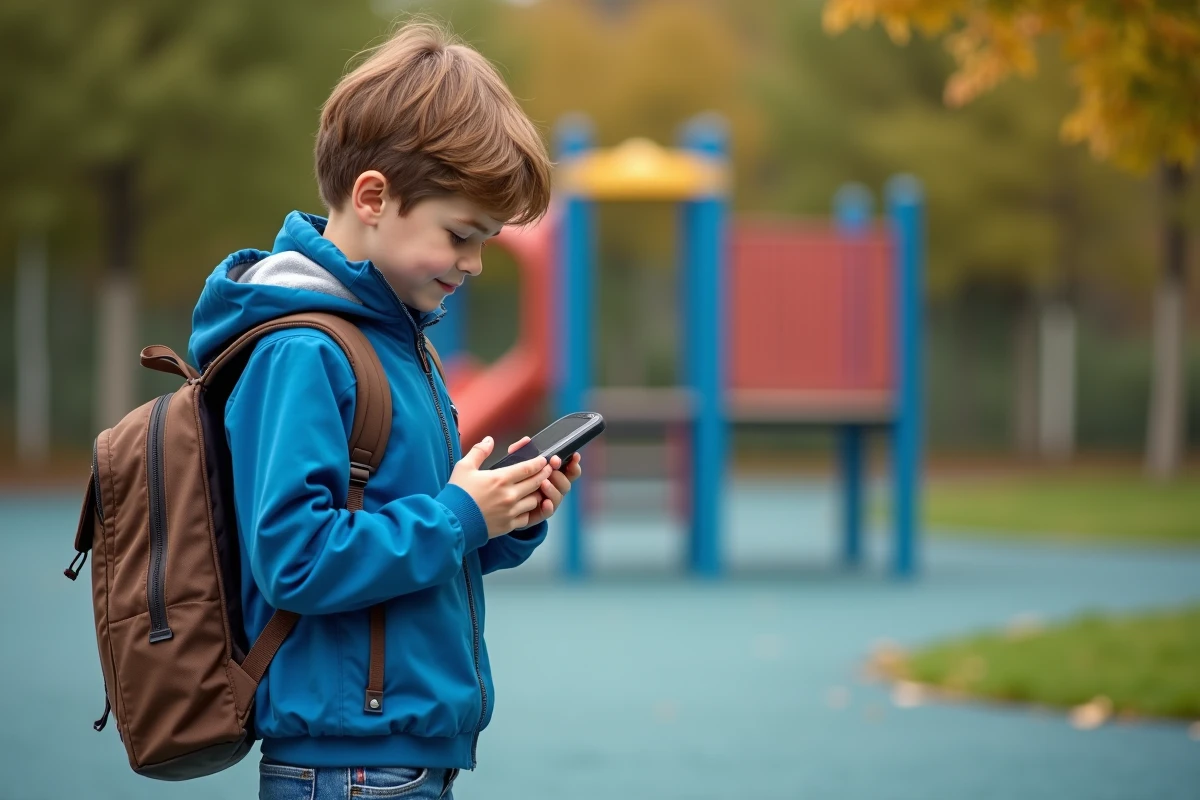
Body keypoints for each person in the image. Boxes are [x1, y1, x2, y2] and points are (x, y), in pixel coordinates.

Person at [186, 20, 578, 800]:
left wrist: (502, 515)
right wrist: (461, 516)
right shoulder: (304, 351)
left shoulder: (401, 341)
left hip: (395, 749)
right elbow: (296, 558)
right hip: (348, 762)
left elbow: (413, 540)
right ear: (374, 197)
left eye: (487, 241)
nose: (472, 264)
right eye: (460, 235)